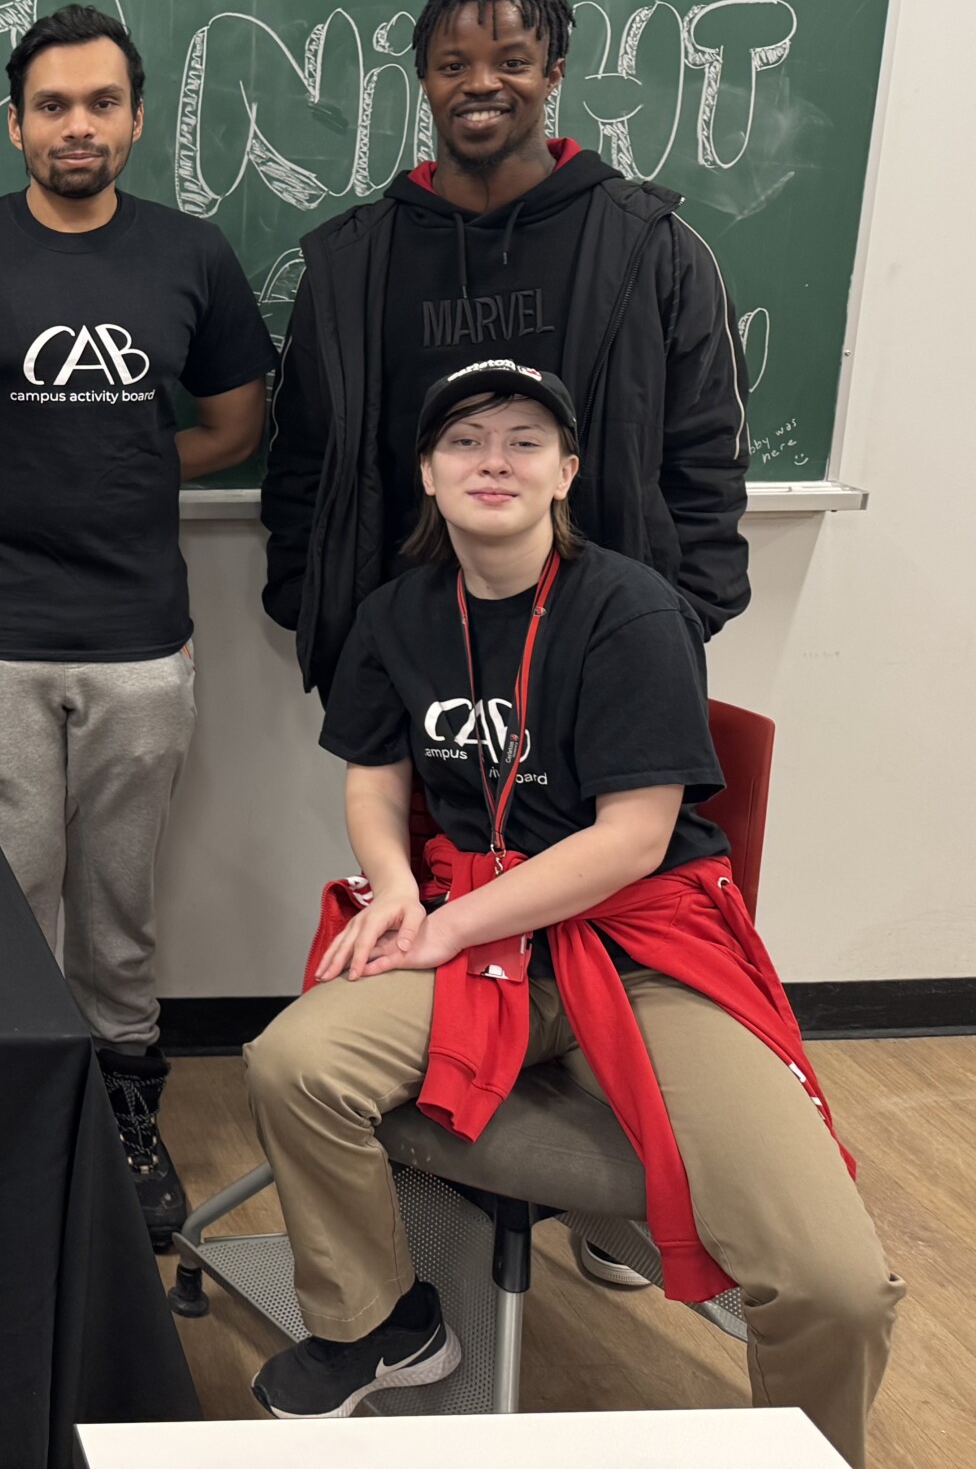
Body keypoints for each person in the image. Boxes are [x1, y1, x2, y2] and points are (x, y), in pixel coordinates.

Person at [242, 361, 899, 1457]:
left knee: (835, 1287)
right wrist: (400, 890)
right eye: (463, 440)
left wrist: (445, 926)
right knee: (292, 1065)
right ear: (424, 472)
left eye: (523, 440)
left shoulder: (631, 607)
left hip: (637, 937)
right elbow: (372, 777)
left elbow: (632, 838)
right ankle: (382, 1327)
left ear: (566, 473)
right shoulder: (396, 613)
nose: (492, 460)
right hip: (473, 928)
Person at [0, 2, 277, 1249]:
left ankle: (126, 1111)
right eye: (50, 107)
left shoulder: (190, 257)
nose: (75, 127)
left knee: (120, 896)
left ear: (135, 117)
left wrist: (125, 476)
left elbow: (235, 428)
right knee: (5, 889)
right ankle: (13, 1110)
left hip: (140, 632)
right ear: (15, 122)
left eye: (99, 104)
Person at [262, 0, 752, 697]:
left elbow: (707, 447)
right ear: (424, 79)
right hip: (402, 655)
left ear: (554, 74)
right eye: (453, 64)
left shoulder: (649, 247)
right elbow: (303, 451)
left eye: (512, 62)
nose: (482, 83)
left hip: (602, 653)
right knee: (395, 822)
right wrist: (315, 604)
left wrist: (678, 614)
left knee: (609, 823)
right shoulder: (353, 262)